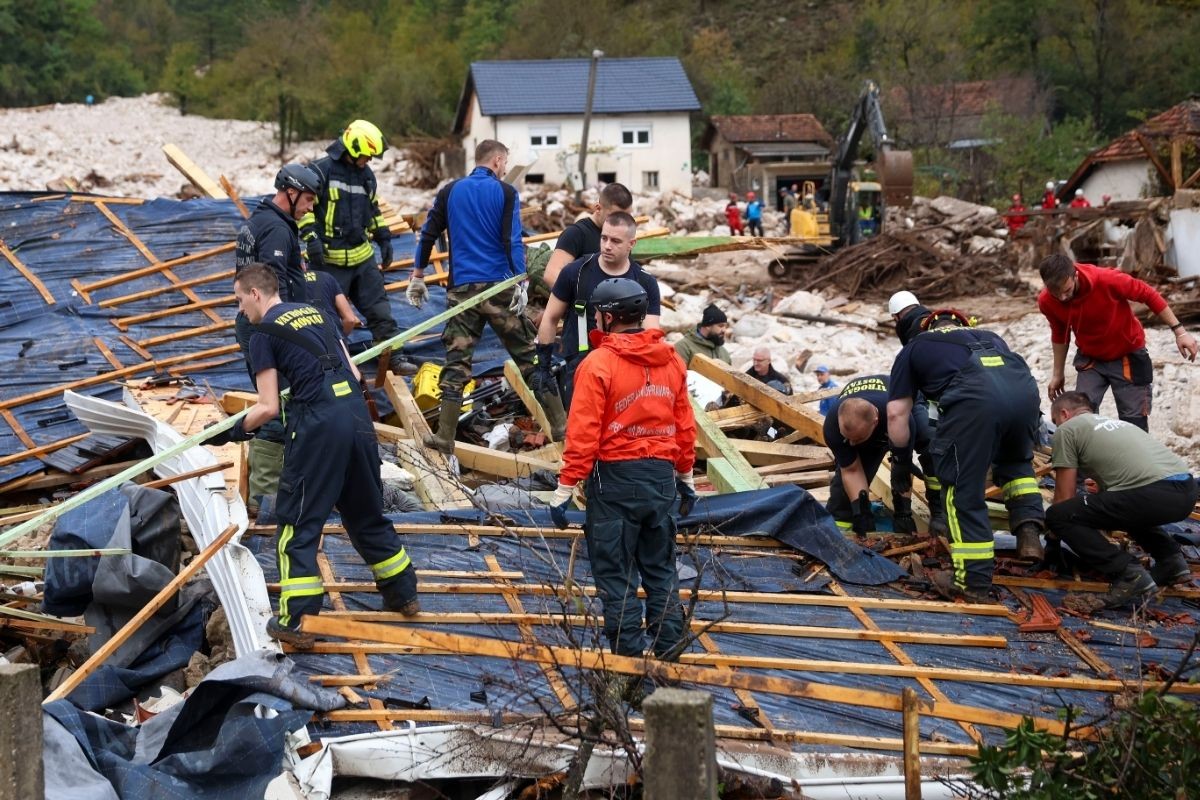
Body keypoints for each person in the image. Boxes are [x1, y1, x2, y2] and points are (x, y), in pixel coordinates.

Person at [203, 264, 420, 648]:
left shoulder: (262, 333)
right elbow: (353, 372)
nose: (239, 311)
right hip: (356, 419)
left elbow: (268, 407)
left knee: (296, 525)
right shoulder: (317, 313)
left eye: (239, 300)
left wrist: (231, 431)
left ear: (256, 294)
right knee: (366, 514)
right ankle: (403, 593)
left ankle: (298, 621)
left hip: (319, 427)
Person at [548, 278, 697, 660]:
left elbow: (583, 432)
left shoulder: (598, 364)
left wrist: (566, 487)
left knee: (617, 576)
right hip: (661, 480)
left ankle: (629, 666)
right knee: (662, 570)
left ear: (609, 317)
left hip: (615, 481)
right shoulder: (672, 360)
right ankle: (669, 655)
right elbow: (683, 424)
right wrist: (685, 476)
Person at [408, 139, 566, 452]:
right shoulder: (507, 193)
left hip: (462, 292)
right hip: (498, 290)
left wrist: (418, 274)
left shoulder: (449, 191)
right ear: (496, 160)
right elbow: (512, 240)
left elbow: (428, 234)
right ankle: (562, 426)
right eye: (505, 162)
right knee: (530, 358)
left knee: (456, 363)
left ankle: (444, 437)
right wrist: (521, 281)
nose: (506, 168)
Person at [887, 309, 1046, 601]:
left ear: (926, 328)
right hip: (1025, 396)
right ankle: (1029, 532)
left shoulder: (916, 347)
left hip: (976, 401)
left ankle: (972, 581)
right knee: (1015, 464)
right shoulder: (992, 337)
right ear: (962, 324)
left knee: (961, 490)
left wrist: (899, 459)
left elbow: (897, 413)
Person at [1046, 391, 1195, 606]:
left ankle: (1128, 574)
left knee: (1059, 515)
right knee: (1119, 504)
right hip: (1186, 491)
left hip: (1151, 493)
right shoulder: (1115, 424)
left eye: (1055, 421)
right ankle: (1171, 561)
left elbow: (1064, 497)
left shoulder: (1067, 430)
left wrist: (1052, 541)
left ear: (1064, 413)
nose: (1057, 426)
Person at [233, 163, 322, 508]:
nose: (311, 207)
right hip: (268, 328)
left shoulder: (265, 222)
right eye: (309, 199)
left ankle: (275, 487)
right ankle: (265, 497)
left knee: (276, 403)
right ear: (291, 192)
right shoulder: (275, 230)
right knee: (276, 405)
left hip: (261, 325)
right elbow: (271, 291)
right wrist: (292, 332)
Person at [300, 119, 417, 376]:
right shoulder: (321, 171)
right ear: (353, 149)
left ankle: (394, 356)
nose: (370, 160)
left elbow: (372, 209)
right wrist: (311, 238)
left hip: (362, 258)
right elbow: (304, 207)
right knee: (325, 317)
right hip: (329, 260)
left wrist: (384, 237)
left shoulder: (367, 176)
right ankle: (327, 364)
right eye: (367, 155)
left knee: (380, 310)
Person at [1038, 254, 1198, 432]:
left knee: (1134, 424)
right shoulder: (1046, 301)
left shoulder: (1107, 279)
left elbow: (1149, 294)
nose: (1062, 298)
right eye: (1056, 293)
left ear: (1075, 275)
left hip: (1127, 355)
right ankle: (1088, 456)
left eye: (1067, 291)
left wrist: (1180, 332)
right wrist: (1057, 374)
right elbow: (1060, 333)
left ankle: (1136, 457)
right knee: (1080, 418)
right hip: (1091, 359)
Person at [534, 212, 661, 410]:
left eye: (616, 241)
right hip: (580, 368)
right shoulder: (575, 272)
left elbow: (651, 335)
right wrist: (542, 364)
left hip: (626, 373)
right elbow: (550, 318)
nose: (607, 245)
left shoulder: (645, 282)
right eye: (604, 238)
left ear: (632, 244)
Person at [824, 375, 940, 537]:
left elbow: (901, 470)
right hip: (877, 417)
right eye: (848, 438)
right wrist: (861, 510)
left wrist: (903, 512)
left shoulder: (899, 418)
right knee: (842, 494)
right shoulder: (832, 428)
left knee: (931, 446)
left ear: (875, 421)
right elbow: (851, 470)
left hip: (906, 402)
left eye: (857, 439)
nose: (851, 444)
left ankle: (939, 509)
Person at [542, 183, 634, 290]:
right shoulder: (576, 234)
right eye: (615, 217)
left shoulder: (623, 236)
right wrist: (583, 299)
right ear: (598, 209)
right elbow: (552, 276)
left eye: (626, 217)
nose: (622, 223)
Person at [303, 269, 359, 338]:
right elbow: (350, 319)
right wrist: (340, 338)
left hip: (309, 339)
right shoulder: (326, 276)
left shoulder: (288, 284)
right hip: (335, 336)